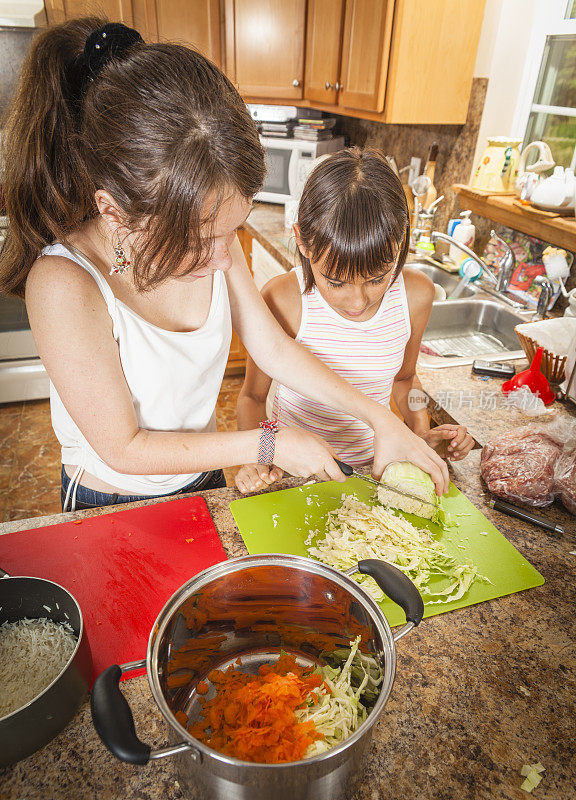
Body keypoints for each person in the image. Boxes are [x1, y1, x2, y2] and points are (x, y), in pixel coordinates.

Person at [0, 19, 448, 512]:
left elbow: (273, 348)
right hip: (109, 501)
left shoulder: (212, 234)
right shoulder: (63, 283)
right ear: (114, 211)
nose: (223, 256)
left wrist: (380, 419)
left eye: (230, 228)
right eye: (199, 240)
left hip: (204, 475)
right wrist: (269, 443)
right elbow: (122, 447)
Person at [235, 148, 473, 494]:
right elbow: (252, 398)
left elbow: (405, 379)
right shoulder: (284, 300)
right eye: (336, 282)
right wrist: (258, 457)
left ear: (400, 243)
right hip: (293, 478)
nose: (358, 302)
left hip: (372, 472)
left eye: (377, 278)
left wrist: (418, 437)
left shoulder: (417, 295)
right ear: (302, 240)